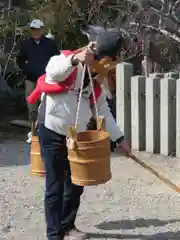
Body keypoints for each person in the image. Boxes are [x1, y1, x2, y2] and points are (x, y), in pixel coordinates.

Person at [29, 46, 131, 240]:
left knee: (76, 183)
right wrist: (74, 59)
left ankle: (67, 225)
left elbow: (102, 111)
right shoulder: (64, 62)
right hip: (51, 132)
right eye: (104, 67)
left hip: (76, 137)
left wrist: (120, 139)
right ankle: (54, 234)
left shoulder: (95, 86)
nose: (105, 72)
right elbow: (53, 71)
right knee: (55, 186)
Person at [16, 19, 59, 142]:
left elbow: (57, 59)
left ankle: (48, 133)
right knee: (32, 108)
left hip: (47, 80)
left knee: (48, 106)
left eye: (38, 29)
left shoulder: (50, 44)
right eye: (33, 29)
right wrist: (26, 69)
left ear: (42, 30)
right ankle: (34, 133)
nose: (35, 32)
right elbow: (20, 60)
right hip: (31, 80)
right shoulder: (26, 44)